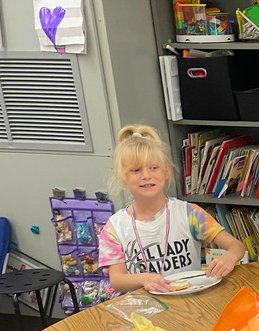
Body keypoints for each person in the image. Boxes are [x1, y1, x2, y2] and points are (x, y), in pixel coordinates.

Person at [98, 125, 246, 293]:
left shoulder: (189, 213)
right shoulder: (114, 227)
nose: (146, 175)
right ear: (122, 178)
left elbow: (237, 246)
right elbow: (116, 280)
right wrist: (143, 278)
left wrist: (229, 257)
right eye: (136, 170)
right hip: (146, 306)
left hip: (191, 302)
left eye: (154, 168)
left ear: (167, 171)